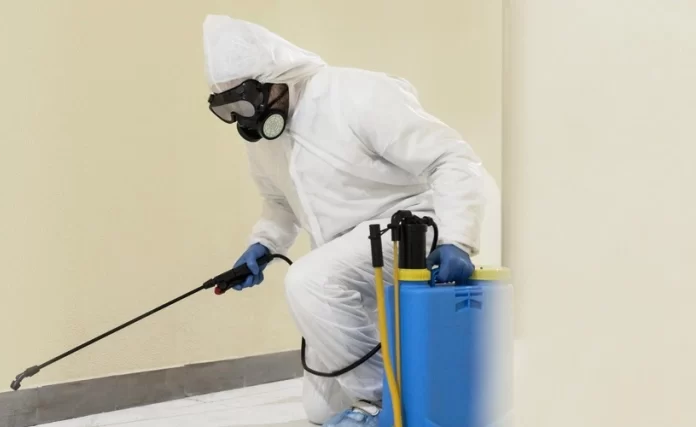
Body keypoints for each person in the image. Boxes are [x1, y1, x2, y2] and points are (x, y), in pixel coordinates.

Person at [203, 15, 488, 427]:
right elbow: (279, 203)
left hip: (407, 230)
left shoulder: (356, 94)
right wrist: (265, 245)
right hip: (343, 258)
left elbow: (451, 158)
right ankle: (394, 384)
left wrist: (458, 238)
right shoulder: (266, 142)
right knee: (320, 411)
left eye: (244, 104)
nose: (243, 119)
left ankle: (379, 406)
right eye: (228, 110)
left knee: (309, 280)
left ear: (276, 79)